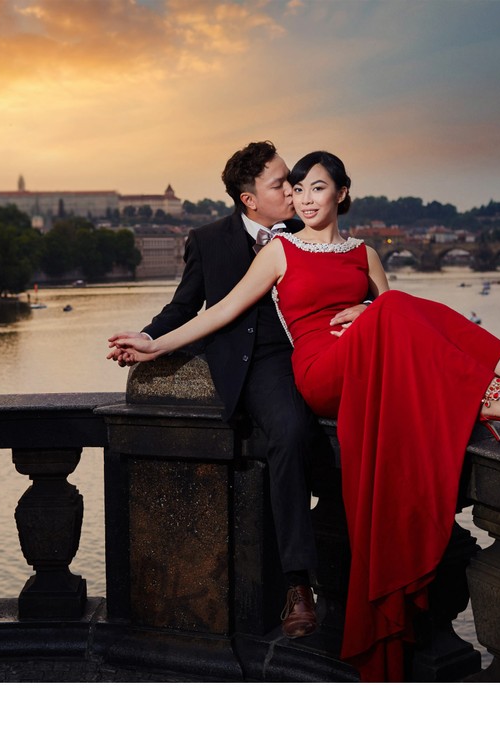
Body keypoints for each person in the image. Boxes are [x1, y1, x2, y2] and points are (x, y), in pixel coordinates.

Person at [108, 150, 500, 681]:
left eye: (313, 188)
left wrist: (372, 311)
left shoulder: (365, 253)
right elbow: (220, 311)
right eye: (294, 187)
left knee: (405, 308)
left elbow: (411, 334)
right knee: (392, 313)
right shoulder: (279, 249)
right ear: (260, 197)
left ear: (341, 194)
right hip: (317, 369)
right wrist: (152, 345)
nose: (301, 196)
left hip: (361, 364)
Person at [107, 142, 363, 639]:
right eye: (281, 183)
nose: (294, 190)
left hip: (317, 351)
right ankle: (298, 586)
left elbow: (356, 280)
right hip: (261, 362)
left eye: (296, 180)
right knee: (287, 430)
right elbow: (187, 307)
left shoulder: (307, 226)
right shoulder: (207, 239)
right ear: (250, 200)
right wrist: (149, 341)